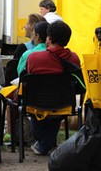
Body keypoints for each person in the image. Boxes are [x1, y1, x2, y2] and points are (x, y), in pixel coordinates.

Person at [26, 20, 80, 156]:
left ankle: (44, 144)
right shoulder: (73, 59)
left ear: (48, 38)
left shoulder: (34, 58)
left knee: (39, 109)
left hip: (35, 104)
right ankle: (46, 143)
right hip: (63, 104)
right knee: (54, 109)